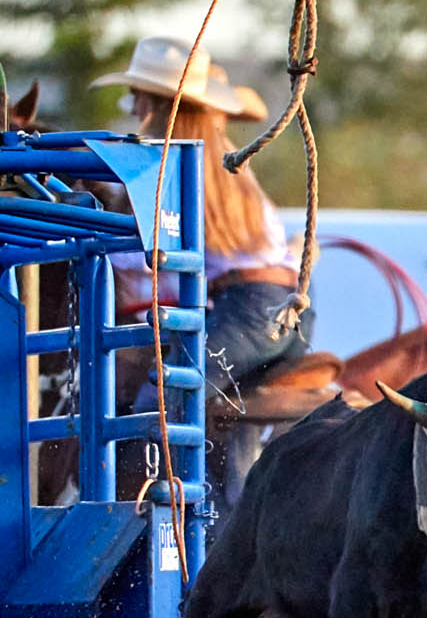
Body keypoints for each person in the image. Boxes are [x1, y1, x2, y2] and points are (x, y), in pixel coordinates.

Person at [94, 36, 314, 410]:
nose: (132, 109)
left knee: (158, 401)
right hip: (285, 309)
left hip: (245, 312)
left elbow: (147, 257)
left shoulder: (173, 168)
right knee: (228, 417)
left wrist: (92, 246)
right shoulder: (225, 168)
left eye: (135, 96)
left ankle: (155, 471)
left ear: (153, 104)